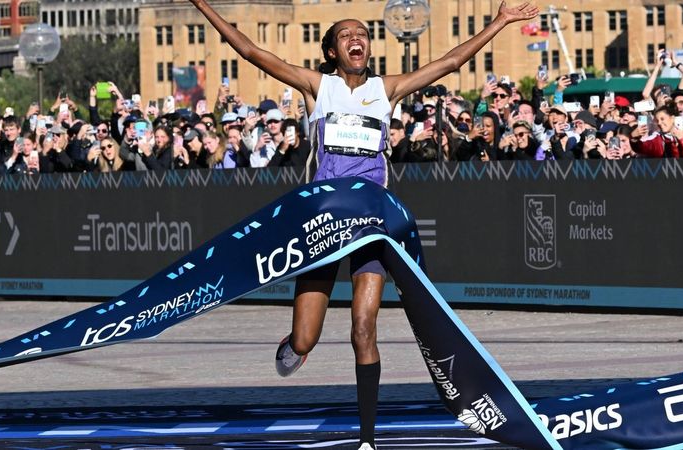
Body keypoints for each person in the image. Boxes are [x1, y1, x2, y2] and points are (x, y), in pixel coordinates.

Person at [188, 1, 538, 449]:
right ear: (333, 51)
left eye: (363, 33)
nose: (358, 38)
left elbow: (450, 62)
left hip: (370, 226)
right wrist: (202, 6)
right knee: (305, 337)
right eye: (347, 34)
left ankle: (367, 440)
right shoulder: (318, 87)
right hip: (321, 224)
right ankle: (295, 345)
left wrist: (501, 21)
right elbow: (253, 53)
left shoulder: (385, 88)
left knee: (363, 328)